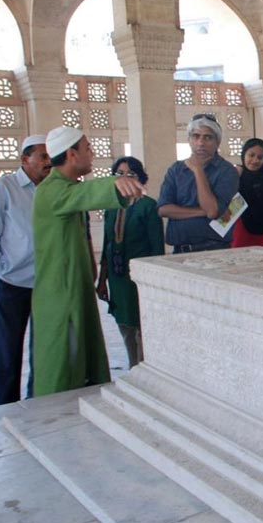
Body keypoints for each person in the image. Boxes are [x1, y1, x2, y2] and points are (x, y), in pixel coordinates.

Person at [31, 126, 144, 396]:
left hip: (74, 288)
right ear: (71, 154)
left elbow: (79, 196)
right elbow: (82, 196)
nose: (92, 154)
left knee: (83, 357)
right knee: (63, 364)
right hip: (60, 293)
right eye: (88, 148)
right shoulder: (52, 190)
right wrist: (113, 184)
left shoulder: (67, 187)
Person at [0, 135, 51, 406]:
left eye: (50, 157)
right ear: (25, 159)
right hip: (13, 283)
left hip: (45, 283)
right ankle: (2, 406)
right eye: (42, 157)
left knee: (42, 350)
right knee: (7, 350)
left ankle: (36, 401)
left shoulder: (50, 188)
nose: (48, 163)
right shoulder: (4, 187)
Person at [96, 157, 165, 369]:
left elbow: (156, 248)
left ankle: (146, 368)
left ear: (140, 178)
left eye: (131, 173)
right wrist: (102, 279)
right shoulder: (111, 207)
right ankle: (132, 365)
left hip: (139, 278)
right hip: (118, 278)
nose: (125, 178)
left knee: (141, 325)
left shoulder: (148, 206)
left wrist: (155, 282)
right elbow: (108, 245)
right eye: (119, 174)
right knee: (124, 323)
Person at [157, 113, 239, 253]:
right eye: (196, 136)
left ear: (217, 142)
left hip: (214, 250)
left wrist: (197, 170)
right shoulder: (176, 169)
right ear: (189, 140)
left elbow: (212, 211)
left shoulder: (227, 171)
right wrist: (201, 212)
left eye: (207, 137)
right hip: (180, 250)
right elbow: (163, 209)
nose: (201, 143)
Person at [231, 138, 263, 248]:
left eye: (260, 157)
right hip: (239, 233)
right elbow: (228, 206)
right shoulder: (235, 176)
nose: (255, 160)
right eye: (251, 155)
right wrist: (235, 178)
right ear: (244, 155)